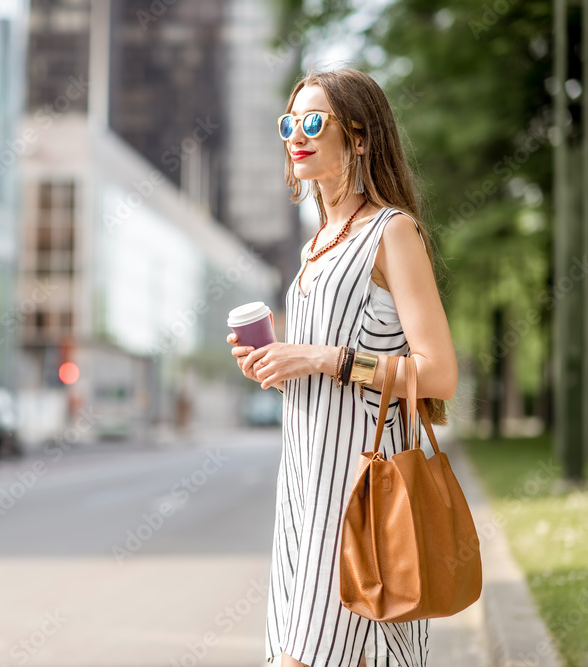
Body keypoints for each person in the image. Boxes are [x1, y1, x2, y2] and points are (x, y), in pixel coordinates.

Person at [227, 68, 456, 667]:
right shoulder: (314, 245)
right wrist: (275, 360)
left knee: (308, 658)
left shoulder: (392, 231)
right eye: (289, 123)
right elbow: (321, 361)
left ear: (359, 137)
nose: (295, 136)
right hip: (303, 480)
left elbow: (437, 374)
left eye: (312, 122)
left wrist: (325, 358)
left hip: (361, 483)